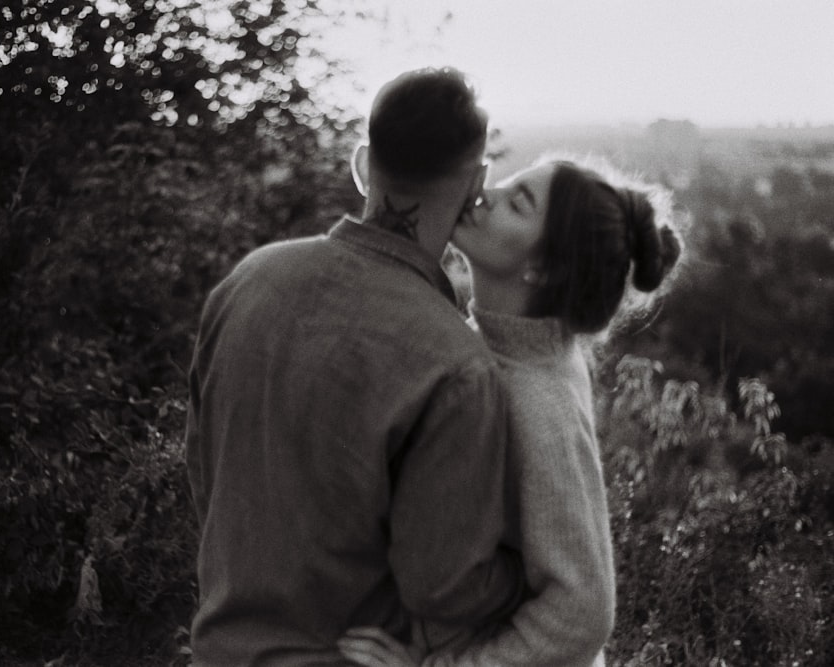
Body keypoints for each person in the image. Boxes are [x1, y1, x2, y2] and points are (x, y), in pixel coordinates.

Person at [184, 67, 527, 666]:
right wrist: (526, 571)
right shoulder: (455, 364)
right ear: (477, 183)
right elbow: (443, 586)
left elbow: (203, 476)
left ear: (364, 164)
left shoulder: (248, 282)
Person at [338, 155, 683, 667]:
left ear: (542, 267)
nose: (486, 195)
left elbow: (583, 611)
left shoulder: (535, 402)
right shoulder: (528, 346)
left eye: (515, 203)